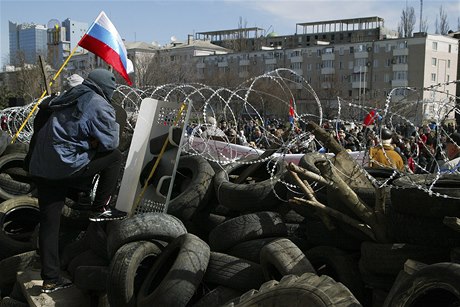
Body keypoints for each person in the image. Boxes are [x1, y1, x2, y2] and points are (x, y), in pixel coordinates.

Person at [26, 68, 127, 293]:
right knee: (114, 158)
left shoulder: (66, 95)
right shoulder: (98, 102)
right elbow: (111, 143)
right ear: (107, 88)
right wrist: (92, 143)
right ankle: (101, 206)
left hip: (41, 166)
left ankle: (51, 278)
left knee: (50, 224)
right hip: (63, 166)